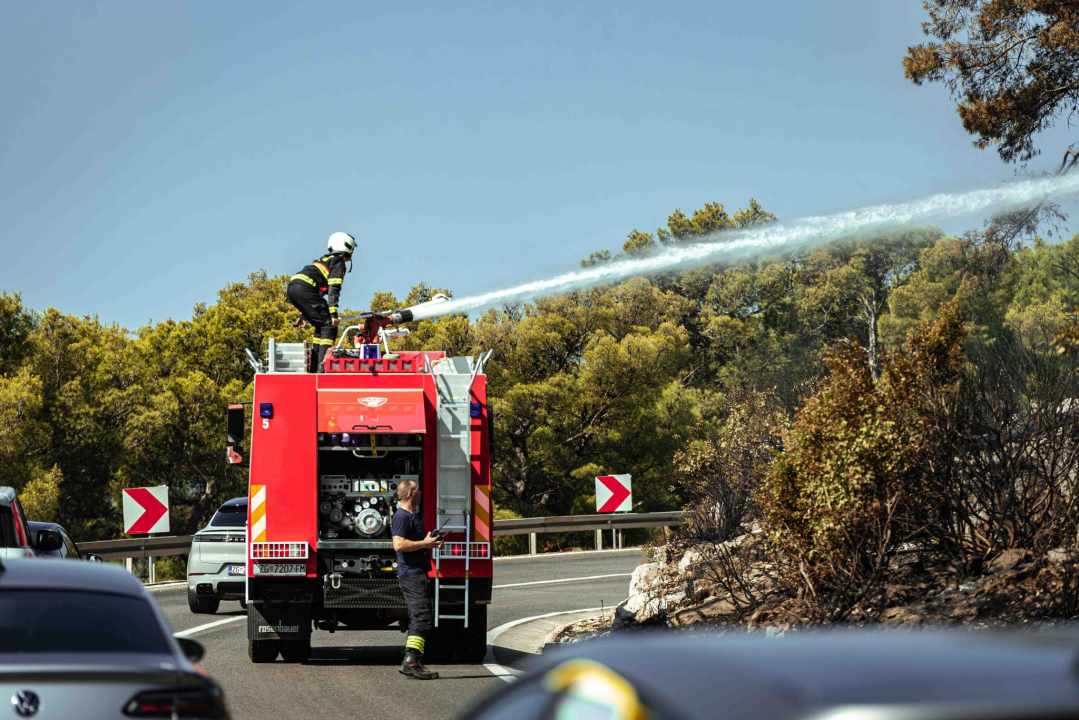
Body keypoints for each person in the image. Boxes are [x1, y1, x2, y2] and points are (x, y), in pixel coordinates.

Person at [391, 479, 443, 679]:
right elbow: (398, 545)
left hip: (417, 573)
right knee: (420, 617)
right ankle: (410, 661)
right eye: (418, 490)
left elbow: (417, 543)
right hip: (411, 575)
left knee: (421, 616)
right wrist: (424, 543)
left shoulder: (413, 516)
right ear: (411, 494)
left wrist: (429, 543)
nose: (421, 492)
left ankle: (414, 660)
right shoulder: (402, 517)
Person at [288, 231, 357, 372]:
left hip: (293, 288)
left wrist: (304, 315)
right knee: (328, 326)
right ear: (347, 247)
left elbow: (314, 297)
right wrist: (333, 315)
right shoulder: (338, 263)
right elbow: (334, 289)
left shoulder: (325, 260)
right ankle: (323, 368)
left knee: (321, 325)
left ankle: (314, 367)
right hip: (305, 289)